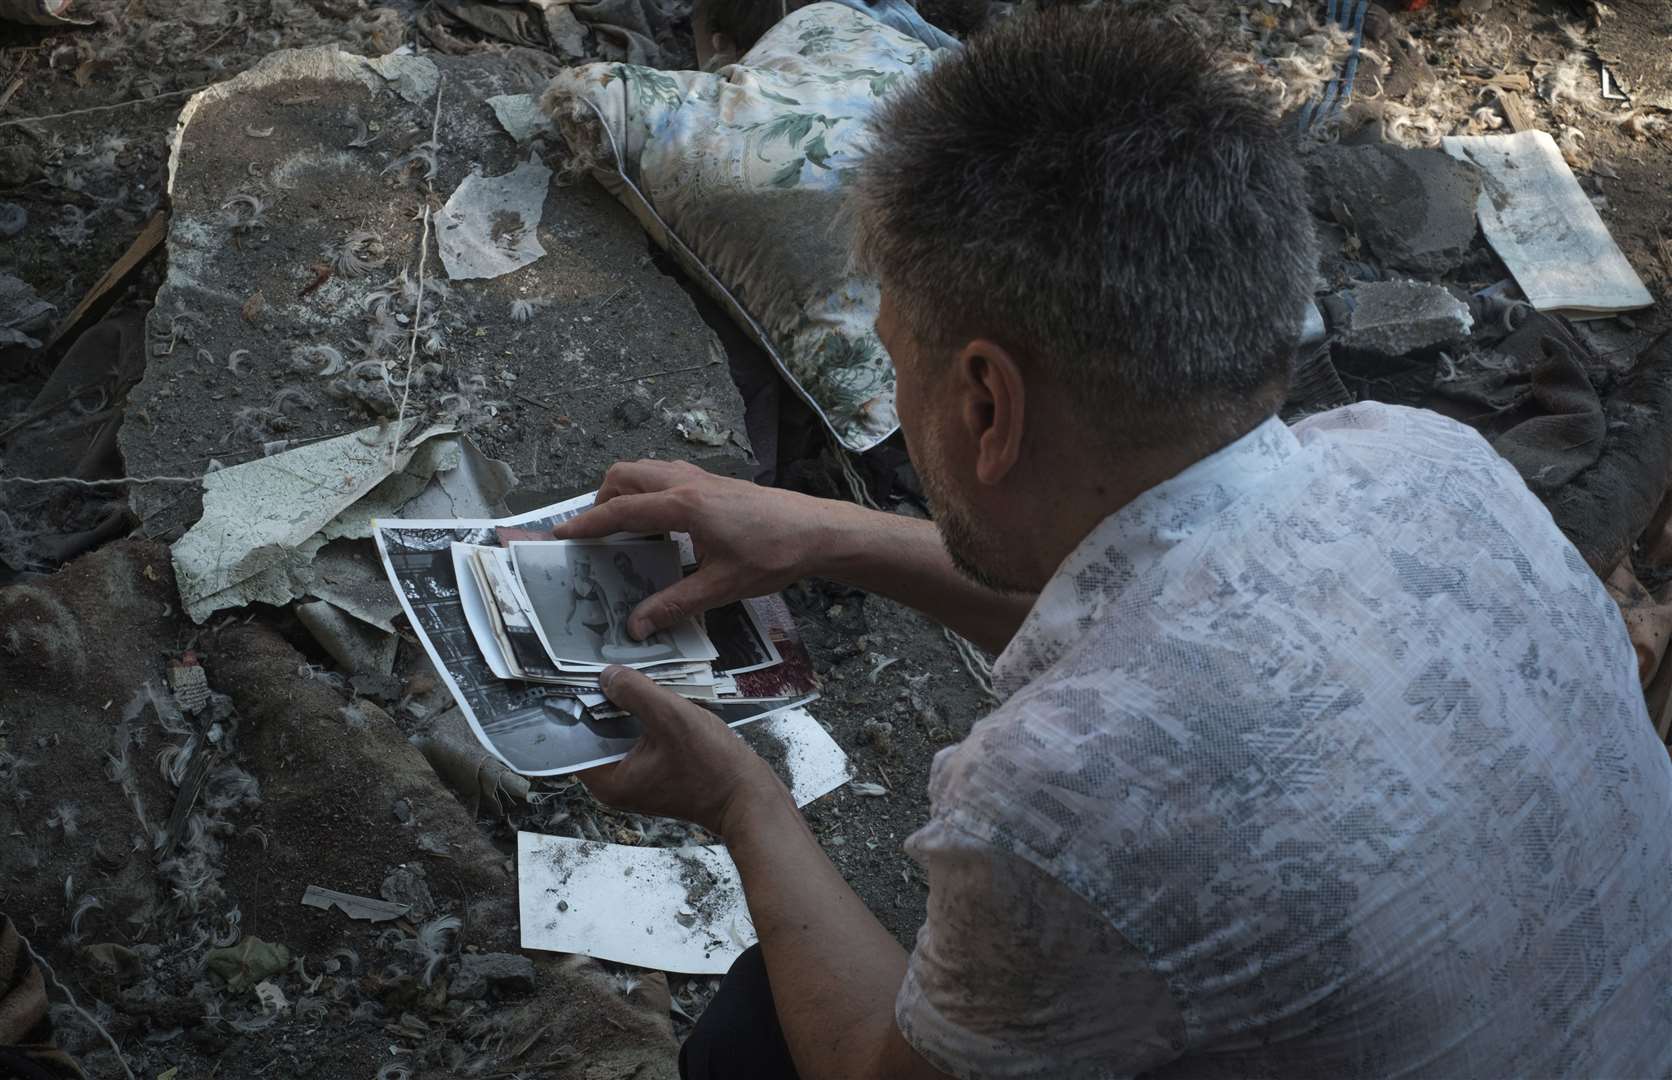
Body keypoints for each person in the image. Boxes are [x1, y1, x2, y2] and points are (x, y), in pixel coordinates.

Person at [553, 10, 1672, 1078]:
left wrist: (739, 799)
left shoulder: (1062, 799)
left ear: (986, 404)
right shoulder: (1428, 459)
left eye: (901, 358)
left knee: (757, 1034)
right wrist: (818, 534)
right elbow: (1145, 610)